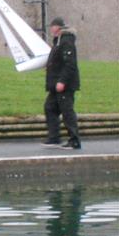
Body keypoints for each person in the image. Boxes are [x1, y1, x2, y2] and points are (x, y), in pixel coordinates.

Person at [42, 17, 81, 150]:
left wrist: (62, 81)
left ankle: (74, 140)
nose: (51, 29)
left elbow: (70, 65)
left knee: (67, 111)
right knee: (49, 108)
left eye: (52, 26)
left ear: (57, 27)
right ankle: (54, 138)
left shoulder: (66, 42)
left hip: (64, 85)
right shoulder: (58, 42)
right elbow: (57, 60)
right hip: (55, 85)